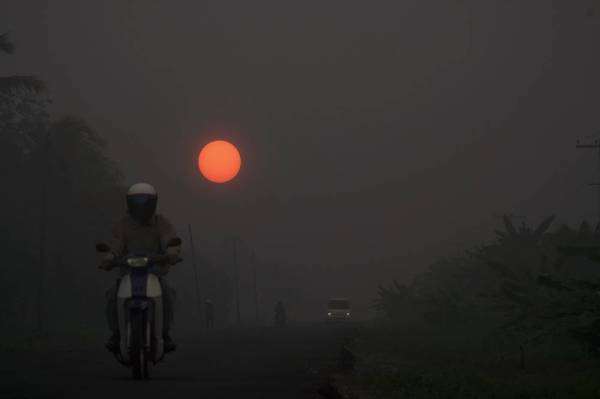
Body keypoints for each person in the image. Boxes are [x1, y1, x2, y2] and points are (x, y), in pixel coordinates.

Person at [99, 182, 180, 353]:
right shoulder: (123, 224)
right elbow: (116, 245)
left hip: (154, 273)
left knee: (167, 294)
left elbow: (168, 240)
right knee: (112, 295)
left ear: (153, 203)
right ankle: (116, 334)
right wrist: (109, 257)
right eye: (137, 201)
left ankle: (164, 334)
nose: (141, 205)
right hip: (128, 273)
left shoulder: (161, 223)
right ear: (130, 203)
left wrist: (172, 252)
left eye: (145, 201)